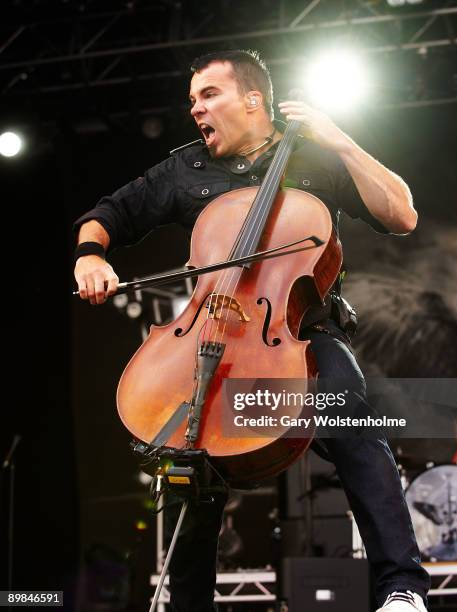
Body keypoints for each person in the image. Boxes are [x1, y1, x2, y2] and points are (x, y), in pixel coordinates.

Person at [73, 50, 431, 612]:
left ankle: (402, 589)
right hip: (209, 333)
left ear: (253, 99)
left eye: (209, 95)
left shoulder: (316, 155)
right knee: (189, 460)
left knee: (357, 428)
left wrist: (340, 140)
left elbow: (402, 216)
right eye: (192, 100)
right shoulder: (187, 169)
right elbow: (108, 214)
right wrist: (90, 257)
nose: (196, 108)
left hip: (301, 335)